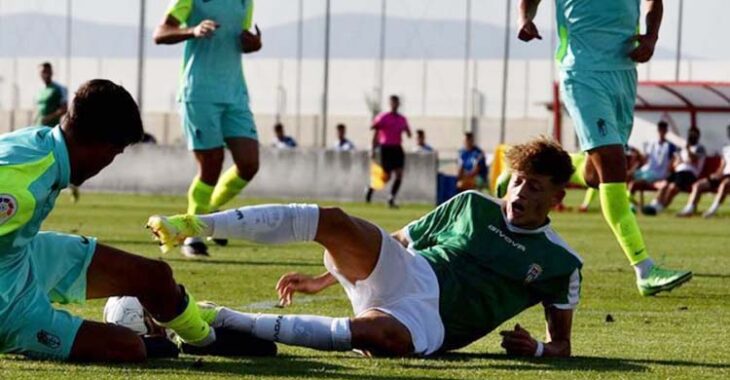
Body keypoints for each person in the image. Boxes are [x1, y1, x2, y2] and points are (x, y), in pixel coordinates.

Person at [147, 137, 581, 358]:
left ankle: (217, 318)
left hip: (429, 321)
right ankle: (192, 224)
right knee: (335, 221)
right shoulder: (471, 205)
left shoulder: (562, 264)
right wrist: (323, 279)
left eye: (535, 186)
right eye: (519, 180)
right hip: (409, 270)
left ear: (556, 199)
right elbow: (400, 241)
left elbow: (562, 344)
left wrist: (539, 349)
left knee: (377, 337)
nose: (520, 192)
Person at [0, 80, 229, 362]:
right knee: (129, 347)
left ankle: (205, 340)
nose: (110, 161)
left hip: (20, 256)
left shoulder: (41, 144)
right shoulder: (20, 188)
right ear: (101, 144)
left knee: (156, 277)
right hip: (7, 306)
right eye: (114, 152)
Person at [519, 0, 692, 296]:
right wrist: (526, 19)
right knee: (613, 166)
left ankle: (528, 169)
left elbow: (654, 2)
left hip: (624, 71)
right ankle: (644, 269)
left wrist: (651, 37)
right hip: (582, 71)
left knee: (596, 174)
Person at [153, 0, 263, 257]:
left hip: (235, 93)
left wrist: (253, 44)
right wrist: (192, 30)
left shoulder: (246, 2)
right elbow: (160, 34)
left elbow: (241, 39)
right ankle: (192, 236)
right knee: (211, 164)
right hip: (199, 92)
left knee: (249, 164)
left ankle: (206, 211)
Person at [643, 127, 706, 216]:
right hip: (678, 172)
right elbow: (675, 163)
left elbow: (693, 160)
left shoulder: (700, 148)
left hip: (690, 174)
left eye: (694, 134)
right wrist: (679, 161)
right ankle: (655, 203)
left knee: (672, 187)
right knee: (664, 184)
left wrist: (688, 150)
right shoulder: (682, 149)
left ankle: (660, 207)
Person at [366, 95, 412, 208]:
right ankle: (371, 188)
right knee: (386, 176)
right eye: (392, 103)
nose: (394, 105)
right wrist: (372, 149)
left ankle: (391, 197)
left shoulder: (402, 119)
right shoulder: (383, 117)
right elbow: (374, 130)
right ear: (389, 104)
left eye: (396, 103)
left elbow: (409, 133)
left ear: (398, 104)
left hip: (397, 148)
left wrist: (407, 132)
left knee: (399, 174)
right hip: (386, 148)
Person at [677, 125, 729, 218]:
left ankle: (712, 211)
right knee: (697, 185)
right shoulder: (726, 148)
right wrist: (717, 174)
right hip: (724, 175)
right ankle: (689, 209)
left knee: (724, 185)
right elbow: (723, 165)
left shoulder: (700, 148)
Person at [629, 121, 678, 197]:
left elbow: (673, 161)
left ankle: (630, 202)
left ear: (666, 131)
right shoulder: (652, 143)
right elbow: (645, 159)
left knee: (635, 183)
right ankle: (629, 201)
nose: (661, 132)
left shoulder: (670, 146)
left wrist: (668, 174)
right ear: (658, 130)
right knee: (628, 176)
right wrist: (638, 154)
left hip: (659, 174)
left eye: (663, 130)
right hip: (647, 170)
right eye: (660, 130)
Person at [33, 62, 68, 127]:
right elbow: (37, 108)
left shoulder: (59, 88)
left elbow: (64, 108)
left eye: (47, 71)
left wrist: (49, 117)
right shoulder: (39, 90)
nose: (45, 74)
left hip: (51, 127)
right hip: (37, 126)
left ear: (51, 72)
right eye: (42, 72)